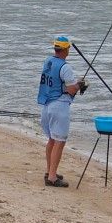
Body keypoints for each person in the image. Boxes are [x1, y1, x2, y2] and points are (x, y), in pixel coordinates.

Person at [37, 35, 86, 187]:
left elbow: (56, 83)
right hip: (59, 106)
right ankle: (52, 177)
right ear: (65, 50)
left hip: (46, 105)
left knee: (52, 140)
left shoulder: (48, 61)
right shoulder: (65, 67)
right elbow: (71, 89)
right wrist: (80, 85)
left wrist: (73, 85)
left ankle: (49, 171)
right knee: (60, 142)